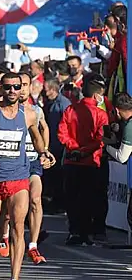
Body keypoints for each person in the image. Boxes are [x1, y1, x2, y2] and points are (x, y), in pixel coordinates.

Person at [0, 72, 54, 280]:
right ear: (1, 89)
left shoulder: (28, 114)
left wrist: (43, 152)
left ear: (22, 88)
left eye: (16, 87)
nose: (12, 91)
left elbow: (36, 135)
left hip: (19, 176)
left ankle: (15, 276)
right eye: (8, 87)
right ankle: (1, 228)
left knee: (19, 226)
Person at [58, 76, 109, 245]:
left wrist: (74, 148)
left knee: (72, 198)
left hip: (72, 161)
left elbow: (62, 134)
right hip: (91, 162)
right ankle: (87, 232)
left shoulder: (70, 110)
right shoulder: (101, 114)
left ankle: (74, 231)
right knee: (89, 198)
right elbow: (101, 138)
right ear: (96, 96)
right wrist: (84, 151)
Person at [18, 73, 50, 264]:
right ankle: (5, 236)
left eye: (25, 85)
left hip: (32, 161)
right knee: (10, 208)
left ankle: (33, 245)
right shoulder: (0, 110)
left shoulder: (36, 110)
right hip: (10, 163)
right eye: (18, 85)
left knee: (36, 200)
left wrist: (45, 151)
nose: (21, 89)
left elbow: (44, 128)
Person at [42, 77, 71, 212]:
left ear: (53, 90)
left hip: (60, 146)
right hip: (53, 145)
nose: (44, 92)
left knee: (59, 177)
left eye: (46, 89)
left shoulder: (63, 104)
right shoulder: (51, 104)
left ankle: (60, 204)